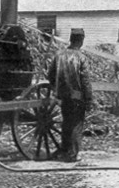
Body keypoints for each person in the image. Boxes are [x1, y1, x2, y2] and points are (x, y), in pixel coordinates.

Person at [48, 28, 93, 162]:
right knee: (76, 124)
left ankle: (65, 149)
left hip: (63, 95)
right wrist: (89, 99)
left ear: (70, 39)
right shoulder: (81, 58)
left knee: (66, 122)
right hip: (77, 96)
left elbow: (50, 75)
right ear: (81, 40)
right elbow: (85, 81)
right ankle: (72, 153)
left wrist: (58, 90)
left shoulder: (59, 55)